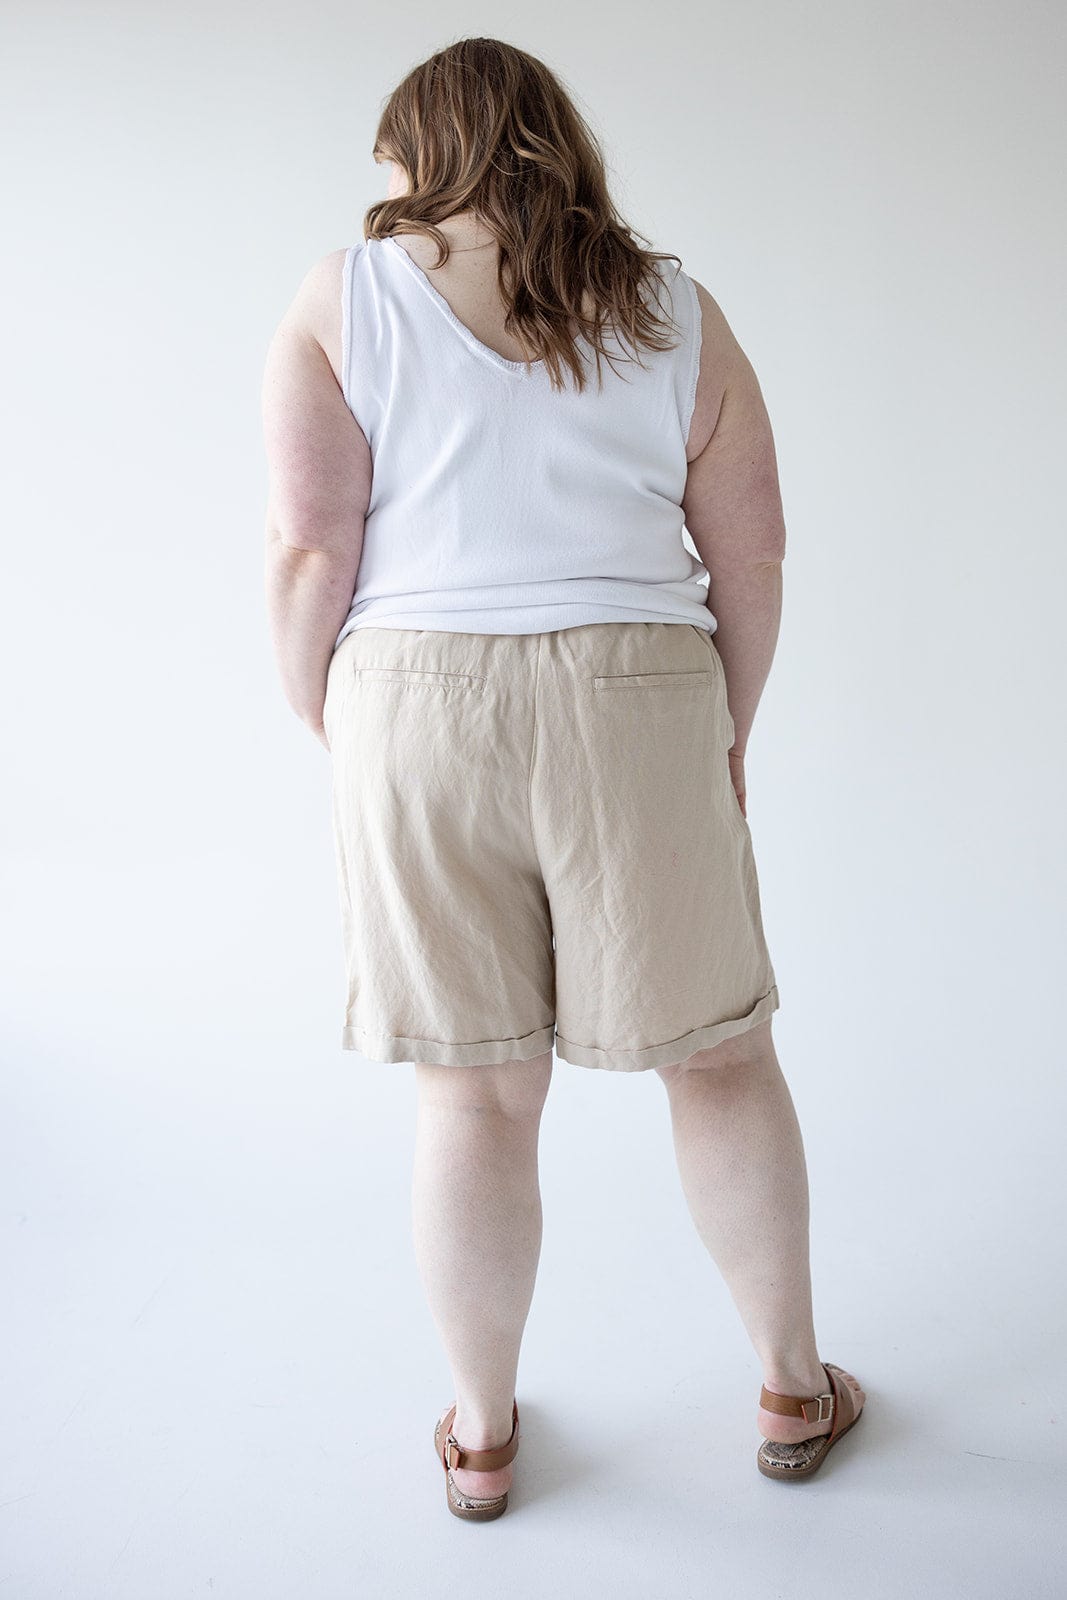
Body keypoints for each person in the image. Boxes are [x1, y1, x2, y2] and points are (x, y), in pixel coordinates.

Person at [261, 36, 866, 1521]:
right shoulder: (674, 308)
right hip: (638, 698)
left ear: (424, 153)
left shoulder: (344, 298)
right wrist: (726, 732)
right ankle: (792, 1384)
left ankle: (480, 1436)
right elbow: (754, 554)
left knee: (473, 1100)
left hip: (416, 701)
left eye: (393, 157)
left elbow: (313, 550)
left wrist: (335, 721)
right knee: (718, 1058)